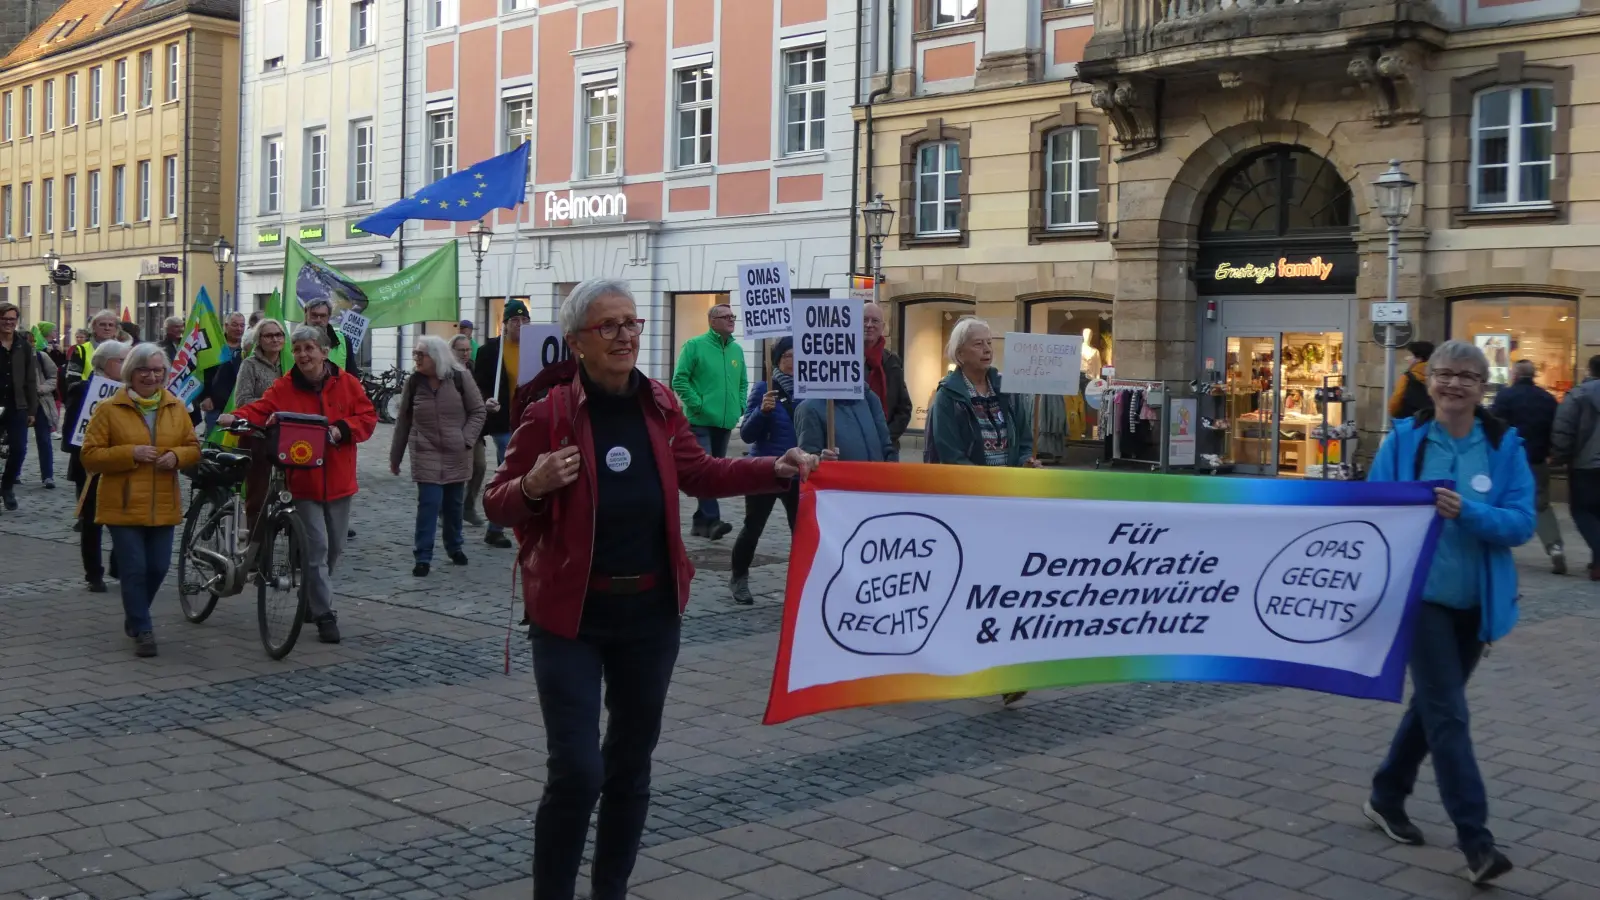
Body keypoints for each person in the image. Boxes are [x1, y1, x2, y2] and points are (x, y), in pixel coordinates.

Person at [483, 279, 817, 900]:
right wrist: (532, 483)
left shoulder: (660, 405)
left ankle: (609, 889)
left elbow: (701, 473)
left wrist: (771, 468)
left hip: (650, 613)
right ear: (578, 341)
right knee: (579, 772)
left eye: (632, 323)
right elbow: (496, 504)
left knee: (630, 767)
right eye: (609, 326)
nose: (626, 336)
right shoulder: (550, 413)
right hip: (570, 616)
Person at [1361, 340, 1532, 886]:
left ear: (1483, 388)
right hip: (1421, 598)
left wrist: (1470, 512)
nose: (1454, 385)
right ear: (1428, 380)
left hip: (1476, 604)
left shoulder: (1503, 445)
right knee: (1450, 715)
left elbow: (1522, 522)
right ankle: (1477, 842)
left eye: (1467, 377)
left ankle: (1387, 795)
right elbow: (1371, 506)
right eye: (1444, 375)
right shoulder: (1407, 439)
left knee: (1435, 707)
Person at [220, 325, 377, 645]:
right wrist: (236, 417)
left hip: (339, 480)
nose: (303, 354)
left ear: (323, 351)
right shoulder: (285, 386)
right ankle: (324, 614)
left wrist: (341, 430)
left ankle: (312, 595)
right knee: (316, 547)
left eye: (309, 348)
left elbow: (368, 417)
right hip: (302, 481)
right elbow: (261, 408)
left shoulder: (346, 384)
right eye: (298, 349)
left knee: (334, 548)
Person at [929, 316, 1038, 705]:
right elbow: (950, 455)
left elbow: (1023, 437)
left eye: (989, 341)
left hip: (1008, 501)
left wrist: (1026, 460)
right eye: (977, 344)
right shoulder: (947, 396)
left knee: (1009, 584)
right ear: (959, 353)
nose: (987, 348)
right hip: (972, 503)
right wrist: (984, 483)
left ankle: (1005, 665)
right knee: (979, 587)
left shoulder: (1008, 388)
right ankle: (972, 658)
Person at [79, 342, 202, 657]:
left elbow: (192, 447)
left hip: (163, 502)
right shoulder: (109, 409)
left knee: (158, 567)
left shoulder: (175, 406)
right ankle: (143, 628)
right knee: (134, 568)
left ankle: (136, 614)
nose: (151, 376)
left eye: (158, 370)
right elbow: (90, 457)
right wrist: (130, 453)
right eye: (144, 370)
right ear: (131, 373)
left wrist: (176, 456)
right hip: (122, 503)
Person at [392, 336, 486, 577]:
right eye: (415, 354)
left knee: (454, 505)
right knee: (429, 504)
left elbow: (477, 411)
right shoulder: (414, 382)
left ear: (436, 356)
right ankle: (422, 556)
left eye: (420, 355)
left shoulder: (459, 377)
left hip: (457, 452)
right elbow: (403, 421)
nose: (416, 359)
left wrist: (465, 439)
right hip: (426, 451)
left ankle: (454, 546)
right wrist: (396, 457)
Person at [729, 337, 801, 606]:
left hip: (797, 470)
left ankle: (801, 581)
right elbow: (747, 435)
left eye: (799, 356)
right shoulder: (764, 389)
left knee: (802, 530)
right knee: (753, 527)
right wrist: (762, 411)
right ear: (778, 360)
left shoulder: (810, 390)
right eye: (789, 356)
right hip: (767, 469)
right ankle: (739, 577)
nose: (794, 361)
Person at [670, 302, 746, 539]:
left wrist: (739, 406)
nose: (731, 319)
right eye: (725, 316)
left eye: (733, 316)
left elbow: (742, 383)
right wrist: (698, 404)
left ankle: (700, 522)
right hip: (700, 422)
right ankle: (712, 521)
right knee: (707, 471)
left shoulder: (737, 350)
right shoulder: (695, 346)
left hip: (725, 423)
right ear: (712, 322)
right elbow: (679, 380)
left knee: (714, 473)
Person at [63, 341, 131, 588]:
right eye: (123, 361)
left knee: (123, 514)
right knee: (92, 519)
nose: (127, 366)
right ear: (108, 363)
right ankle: (93, 574)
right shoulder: (82, 389)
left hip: (120, 461)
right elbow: (71, 430)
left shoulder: (129, 391)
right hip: (89, 464)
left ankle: (118, 561)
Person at [1491, 359, 1565, 574]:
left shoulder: (1505, 396)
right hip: (1537, 459)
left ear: (1515, 375)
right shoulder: (1547, 398)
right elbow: (1556, 429)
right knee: (1541, 504)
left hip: (1510, 459)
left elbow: (1494, 425)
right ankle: (1555, 547)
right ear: (1533, 376)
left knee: (1498, 499)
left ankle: (1494, 547)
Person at [472, 299, 530, 549]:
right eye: (514, 321)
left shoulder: (534, 347)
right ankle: (496, 526)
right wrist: (487, 400)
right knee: (509, 466)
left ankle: (511, 522)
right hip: (501, 419)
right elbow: (479, 384)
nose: (520, 325)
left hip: (528, 418)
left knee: (516, 469)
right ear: (504, 324)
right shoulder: (490, 350)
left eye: (524, 321)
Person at [234, 319, 289, 527]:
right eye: (269, 335)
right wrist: (273, 405)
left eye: (279, 335)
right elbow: (242, 400)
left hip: (286, 437)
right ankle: (254, 548)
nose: (275, 339)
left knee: (291, 494)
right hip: (256, 436)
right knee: (258, 496)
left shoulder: (289, 363)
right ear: (259, 340)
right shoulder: (250, 365)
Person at [1552, 354, 1600, 581]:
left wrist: (1560, 456)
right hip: (1587, 462)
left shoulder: (1578, 395)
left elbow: (1564, 428)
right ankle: (1597, 562)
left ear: (1589, 370)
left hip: (1585, 464)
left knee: (1582, 511)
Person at [0, 302, 40, 511]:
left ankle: (6, 487)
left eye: (12, 319)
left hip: (17, 404)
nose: (8, 323)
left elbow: (30, 379)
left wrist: (32, 409)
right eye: (4, 319)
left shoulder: (23, 346)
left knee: (19, 449)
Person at [863, 302, 914, 449]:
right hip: (854, 445)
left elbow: (904, 407)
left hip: (887, 447)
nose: (869, 325)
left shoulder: (892, 361)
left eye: (875, 320)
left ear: (883, 327)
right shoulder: (846, 360)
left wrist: (888, 437)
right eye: (864, 320)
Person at [453, 335, 488, 527]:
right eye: (461, 350)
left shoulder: (474, 369)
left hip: (474, 428)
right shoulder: (445, 371)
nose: (466, 354)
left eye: (467, 350)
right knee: (454, 471)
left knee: (480, 466)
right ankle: (447, 509)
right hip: (453, 428)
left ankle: (468, 506)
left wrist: (485, 405)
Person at [198, 312, 247, 435]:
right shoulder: (214, 346)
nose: (239, 329)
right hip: (215, 404)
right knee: (214, 442)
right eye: (235, 325)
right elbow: (203, 372)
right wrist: (204, 396)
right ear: (226, 326)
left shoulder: (247, 348)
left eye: (242, 325)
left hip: (239, 405)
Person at [297, 298, 362, 379]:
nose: (318, 320)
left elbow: (353, 377)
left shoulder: (344, 341)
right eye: (314, 315)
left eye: (323, 316)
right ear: (306, 315)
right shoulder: (292, 342)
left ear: (329, 317)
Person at [67, 312, 124, 385]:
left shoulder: (125, 350)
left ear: (116, 329)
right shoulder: (81, 350)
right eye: (102, 324)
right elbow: (72, 381)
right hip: (88, 394)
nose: (107, 328)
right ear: (93, 328)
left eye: (111, 325)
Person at [32, 346, 58, 488]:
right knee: (17, 441)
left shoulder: (41, 357)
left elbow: (53, 377)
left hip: (40, 402)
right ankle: (14, 473)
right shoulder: (11, 356)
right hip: (19, 402)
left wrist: (42, 388)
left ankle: (48, 476)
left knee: (44, 439)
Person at [1390, 340, 1435, 421]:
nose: (1407, 359)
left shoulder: (1407, 377)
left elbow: (1395, 403)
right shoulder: (1437, 376)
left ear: (1419, 359)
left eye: (1411, 356)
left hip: (1410, 421)